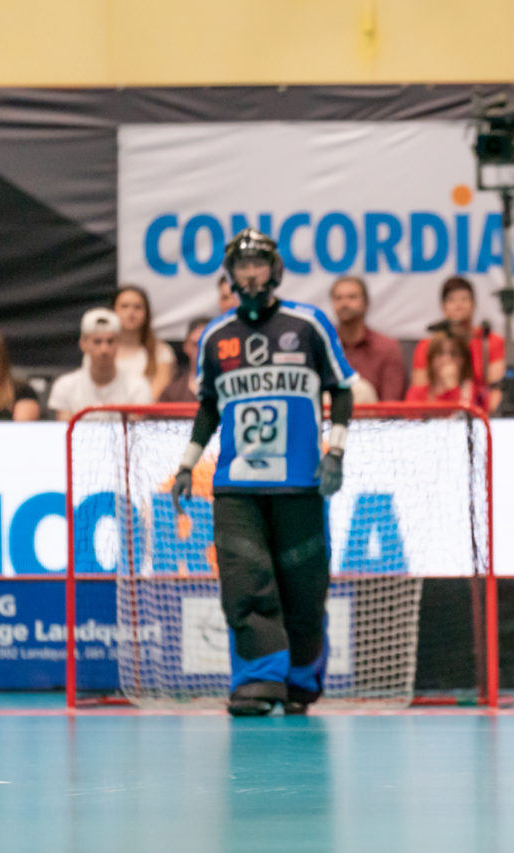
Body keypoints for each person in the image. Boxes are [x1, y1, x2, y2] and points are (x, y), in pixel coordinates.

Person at [169, 229, 356, 717]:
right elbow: (208, 407)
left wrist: (335, 452)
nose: (250, 274)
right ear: (229, 276)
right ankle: (257, 682)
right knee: (244, 583)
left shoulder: (309, 324)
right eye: (242, 265)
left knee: (304, 589)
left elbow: (342, 389)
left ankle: (300, 683)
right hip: (237, 488)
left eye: (258, 264)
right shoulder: (215, 336)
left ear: (275, 270)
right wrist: (187, 464)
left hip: (301, 483)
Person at [409, 276, 505, 412]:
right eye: (452, 299)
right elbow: (418, 393)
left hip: (476, 408)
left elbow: (496, 391)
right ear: (443, 306)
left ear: (474, 304)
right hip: (434, 408)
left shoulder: (489, 341)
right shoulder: (427, 346)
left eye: (464, 299)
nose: (458, 305)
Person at [47, 308, 153, 420]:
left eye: (110, 341)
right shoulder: (64, 386)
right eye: (97, 342)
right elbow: (66, 428)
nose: (104, 349)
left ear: (118, 344)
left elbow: (135, 429)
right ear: (83, 344)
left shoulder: (138, 387)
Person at [330, 275, 406, 402]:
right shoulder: (324, 345)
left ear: (366, 303)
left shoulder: (387, 348)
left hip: (373, 414)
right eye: (338, 298)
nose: (344, 303)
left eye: (352, 297)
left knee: (361, 390)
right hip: (330, 413)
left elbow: (391, 403)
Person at [111, 285, 176, 400]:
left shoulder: (161, 352)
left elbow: (157, 396)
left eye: (137, 307)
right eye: (124, 306)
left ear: (146, 313)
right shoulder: (102, 348)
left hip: (145, 410)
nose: (131, 313)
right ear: (113, 311)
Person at [404, 333, 477, 406]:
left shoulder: (468, 391)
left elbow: (459, 411)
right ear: (431, 358)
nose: (446, 359)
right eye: (440, 353)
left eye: (454, 354)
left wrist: (452, 388)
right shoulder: (417, 393)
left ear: (464, 360)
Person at [157, 317, 212, 404]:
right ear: (186, 346)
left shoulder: (229, 389)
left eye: (207, 344)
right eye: (196, 344)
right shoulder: (171, 393)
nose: (201, 350)